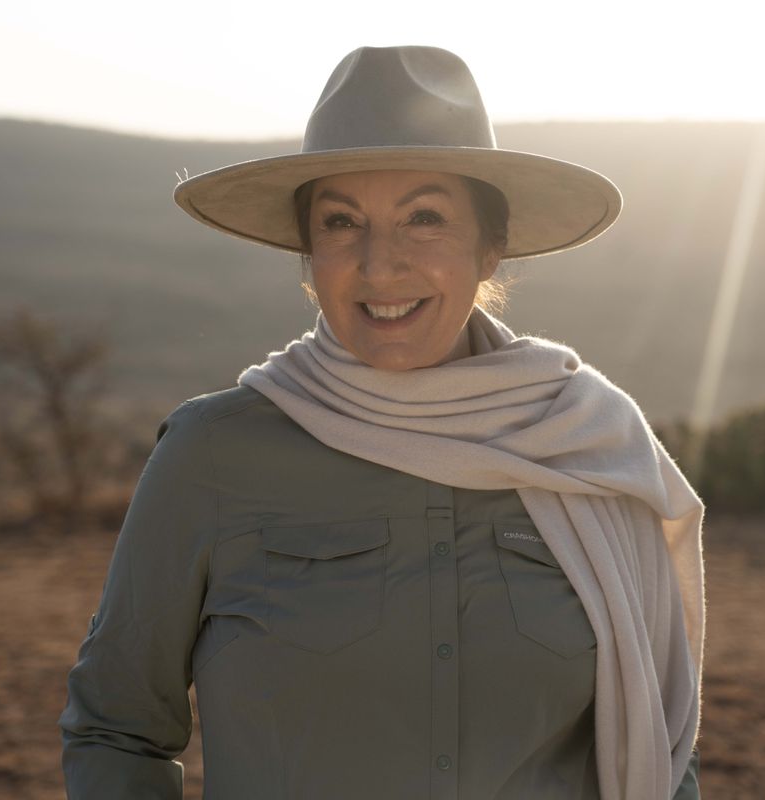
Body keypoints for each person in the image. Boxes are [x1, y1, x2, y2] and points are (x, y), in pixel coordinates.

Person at [58, 45, 705, 800]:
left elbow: (663, 743)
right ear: (308, 254)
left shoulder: (592, 448)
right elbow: (115, 728)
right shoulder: (212, 456)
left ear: (490, 246)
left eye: (424, 218)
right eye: (341, 223)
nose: (379, 265)